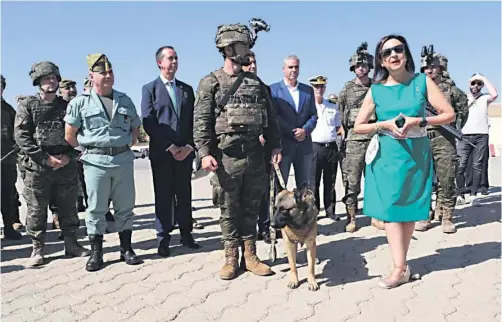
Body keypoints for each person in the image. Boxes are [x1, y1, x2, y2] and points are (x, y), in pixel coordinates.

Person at [354, 34, 455, 288]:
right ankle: (399, 267)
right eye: (387, 53)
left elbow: (449, 115)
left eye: (398, 49)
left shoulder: (422, 82)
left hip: (415, 153)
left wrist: (419, 121)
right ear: (381, 61)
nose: (393, 55)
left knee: (409, 209)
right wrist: (384, 124)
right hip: (387, 154)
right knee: (390, 211)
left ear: (406, 54)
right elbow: (358, 126)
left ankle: (402, 265)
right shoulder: (376, 90)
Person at [194, 22, 282, 280]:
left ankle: (251, 255)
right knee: (229, 209)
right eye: (243, 46)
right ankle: (231, 258)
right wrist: (204, 152)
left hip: (255, 155)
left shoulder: (256, 84)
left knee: (252, 207)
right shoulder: (210, 83)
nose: (247, 51)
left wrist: (276, 144)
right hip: (225, 158)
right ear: (228, 48)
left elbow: (271, 119)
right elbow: (201, 121)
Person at [64, 53, 142, 271]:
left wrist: (123, 145)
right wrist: (88, 151)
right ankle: (97, 253)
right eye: (102, 72)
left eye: (110, 71)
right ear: (91, 75)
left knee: (125, 207)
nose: (108, 75)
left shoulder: (124, 100)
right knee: (96, 208)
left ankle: (126, 248)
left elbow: (135, 129)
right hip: (95, 162)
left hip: (123, 160)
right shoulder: (80, 103)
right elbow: (69, 135)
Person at [15, 62, 90, 267]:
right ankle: (38, 249)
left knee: (68, 207)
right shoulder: (28, 105)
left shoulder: (67, 106)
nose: (51, 81)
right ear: (38, 81)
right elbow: (21, 137)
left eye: (54, 78)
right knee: (36, 209)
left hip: (65, 166)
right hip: (38, 168)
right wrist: (44, 159)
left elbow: (81, 134)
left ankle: (71, 244)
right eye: (46, 78)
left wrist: (68, 156)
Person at [141, 45, 200, 257]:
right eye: (170, 58)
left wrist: (189, 146)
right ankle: (164, 237)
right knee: (164, 196)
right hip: (163, 153)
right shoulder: (150, 89)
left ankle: (186, 234)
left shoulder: (186, 90)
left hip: (185, 153)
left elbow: (194, 121)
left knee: (184, 195)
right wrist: (170, 146)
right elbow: (149, 123)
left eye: (176, 58)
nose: (174, 61)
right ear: (160, 63)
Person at [415, 51, 468, 233]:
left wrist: (453, 127)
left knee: (446, 178)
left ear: (440, 68)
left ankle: (447, 216)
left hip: (444, 138)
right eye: (426, 67)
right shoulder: (417, 89)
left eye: (433, 66)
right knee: (423, 179)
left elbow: (462, 110)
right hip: (421, 137)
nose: (429, 70)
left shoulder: (450, 89)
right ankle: (424, 215)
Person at [338, 42, 384, 232]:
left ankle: (375, 216)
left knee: (374, 178)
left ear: (370, 67)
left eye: (364, 65)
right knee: (352, 179)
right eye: (358, 66)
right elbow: (341, 113)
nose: (361, 69)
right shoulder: (347, 90)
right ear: (353, 68)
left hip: (374, 137)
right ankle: (352, 217)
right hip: (354, 139)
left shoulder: (377, 87)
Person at [270, 55, 317, 190]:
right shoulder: (273, 90)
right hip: (283, 145)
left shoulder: (307, 90)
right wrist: (292, 131)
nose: (293, 70)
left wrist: (305, 130)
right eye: (290, 67)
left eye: (296, 67)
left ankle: (303, 212)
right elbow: (274, 116)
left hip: (304, 145)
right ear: (283, 69)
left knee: (304, 188)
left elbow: (313, 115)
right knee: (280, 186)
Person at [456, 73, 498, 206]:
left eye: (479, 83)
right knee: (460, 165)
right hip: (464, 135)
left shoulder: (485, 98)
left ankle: (474, 195)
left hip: (481, 135)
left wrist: (483, 78)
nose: (476, 86)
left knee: (477, 166)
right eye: (473, 83)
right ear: (469, 84)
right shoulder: (463, 97)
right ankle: (461, 194)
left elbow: (495, 94)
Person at [308, 75, 342, 219]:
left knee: (331, 181)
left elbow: (338, 127)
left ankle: (330, 211)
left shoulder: (332, 106)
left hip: (331, 148)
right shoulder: (308, 106)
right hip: (314, 147)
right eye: (316, 87)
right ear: (312, 88)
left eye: (322, 86)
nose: (319, 89)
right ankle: (314, 211)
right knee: (313, 182)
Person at [1, 74, 22, 240]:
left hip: (6, 161)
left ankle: (9, 227)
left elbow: (18, 134)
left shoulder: (8, 110)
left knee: (7, 196)